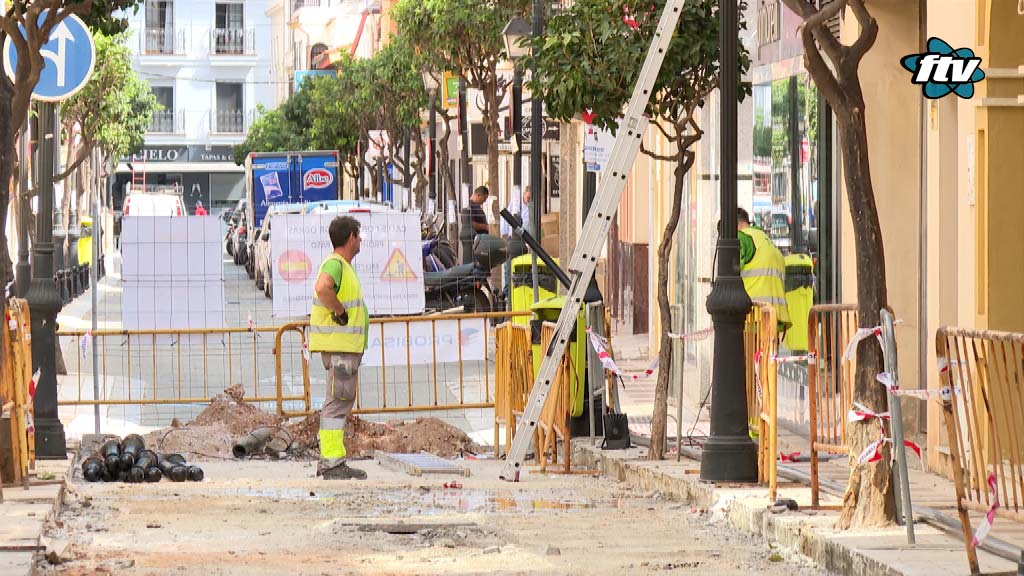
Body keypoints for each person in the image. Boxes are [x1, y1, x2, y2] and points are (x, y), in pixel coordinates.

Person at [309, 216, 369, 480]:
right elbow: (323, 288)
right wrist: (340, 312)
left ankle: (330, 459)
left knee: (340, 400)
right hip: (341, 348)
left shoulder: (342, 265)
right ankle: (332, 461)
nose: (360, 241)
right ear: (351, 238)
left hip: (343, 347)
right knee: (338, 402)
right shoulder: (336, 264)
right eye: (358, 236)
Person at [737, 207, 791, 330]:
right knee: (767, 350)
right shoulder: (765, 239)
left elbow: (731, 271)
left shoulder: (742, 238)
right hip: (774, 318)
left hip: (753, 317)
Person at [500, 185, 532, 298]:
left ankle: (516, 292)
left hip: (524, 242)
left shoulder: (530, 208)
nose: (529, 199)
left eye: (531, 198)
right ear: (524, 193)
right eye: (528, 196)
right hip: (512, 240)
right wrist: (504, 234)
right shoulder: (515, 205)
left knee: (521, 270)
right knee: (508, 268)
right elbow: (506, 218)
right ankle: (507, 293)